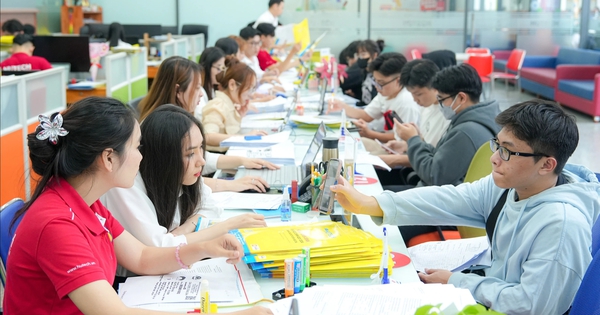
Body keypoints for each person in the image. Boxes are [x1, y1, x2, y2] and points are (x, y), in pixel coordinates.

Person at [3, 97, 272, 315]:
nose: (142, 157)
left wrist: (202, 248)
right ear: (108, 158)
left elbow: (142, 257)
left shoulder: (88, 203)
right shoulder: (56, 224)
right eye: (136, 147)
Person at [330, 100, 600, 315]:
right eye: (497, 145)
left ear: (546, 165)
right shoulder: (509, 186)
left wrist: (456, 282)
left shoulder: (561, 224)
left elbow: (531, 306)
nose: (494, 159)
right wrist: (374, 203)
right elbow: (448, 198)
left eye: (508, 151)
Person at [103, 105, 266, 278]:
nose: (202, 161)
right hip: (136, 283)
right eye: (189, 154)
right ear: (164, 157)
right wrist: (227, 226)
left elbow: (210, 205)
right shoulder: (125, 185)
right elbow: (160, 249)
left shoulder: (181, 175)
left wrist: (187, 227)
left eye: (201, 148)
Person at [138, 56, 276, 193]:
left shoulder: (179, 118)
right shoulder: (160, 126)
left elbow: (203, 158)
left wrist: (242, 161)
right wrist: (232, 184)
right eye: (197, 88)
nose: (200, 95)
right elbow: (176, 180)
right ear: (178, 91)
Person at [392, 64, 500, 189]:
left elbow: (434, 176)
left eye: (442, 99)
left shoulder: (466, 132)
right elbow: (442, 157)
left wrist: (413, 140)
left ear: (461, 98)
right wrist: (418, 141)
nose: (440, 105)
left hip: (438, 199)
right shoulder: (481, 118)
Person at [327, 52, 420, 145]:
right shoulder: (386, 92)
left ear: (398, 80)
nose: (376, 86)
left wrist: (370, 134)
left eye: (380, 82)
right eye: (375, 81)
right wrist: (342, 106)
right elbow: (367, 115)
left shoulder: (406, 102)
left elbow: (403, 138)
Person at [377, 59, 450, 170]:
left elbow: (435, 159)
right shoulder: (426, 106)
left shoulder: (447, 114)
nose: (415, 100)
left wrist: (396, 159)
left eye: (418, 94)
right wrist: (406, 145)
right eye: (412, 94)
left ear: (435, 87)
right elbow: (427, 145)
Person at [202, 56, 267, 151]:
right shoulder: (218, 105)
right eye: (249, 88)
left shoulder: (229, 105)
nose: (251, 95)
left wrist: (239, 116)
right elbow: (208, 136)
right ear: (232, 85)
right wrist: (244, 137)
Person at [356, 39, 384, 106]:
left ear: (374, 55)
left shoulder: (380, 73)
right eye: (359, 55)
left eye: (363, 54)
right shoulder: (364, 72)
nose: (361, 58)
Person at [198, 46, 226, 112]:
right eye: (218, 68)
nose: (221, 73)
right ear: (206, 67)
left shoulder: (212, 88)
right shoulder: (199, 90)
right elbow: (202, 115)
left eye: (223, 68)